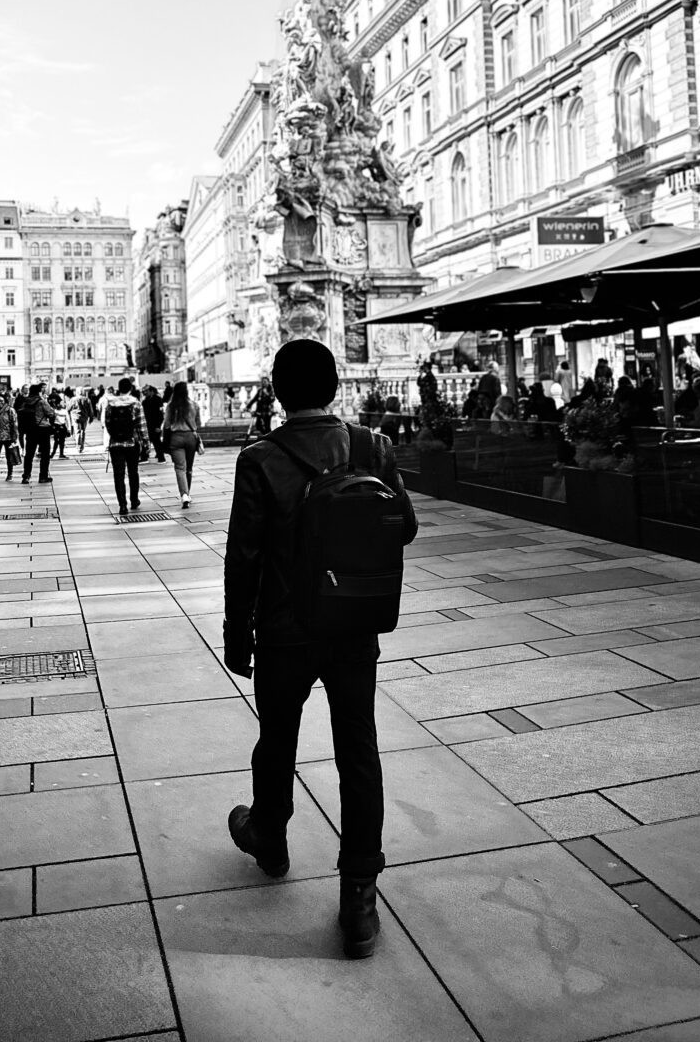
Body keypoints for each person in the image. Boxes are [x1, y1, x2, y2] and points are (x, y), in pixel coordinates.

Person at [223, 339, 418, 960]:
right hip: (354, 626)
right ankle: (359, 897)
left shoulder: (261, 458)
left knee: (277, 738)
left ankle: (271, 838)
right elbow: (405, 525)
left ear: (278, 392)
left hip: (284, 629)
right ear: (335, 386)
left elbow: (244, 555)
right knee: (357, 750)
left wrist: (237, 633)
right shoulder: (371, 446)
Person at [102, 376, 150, 517]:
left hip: (115, 444)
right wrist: (146, 443)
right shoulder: (135, 403)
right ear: (130, 388)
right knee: (133, 472)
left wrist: (114, 437)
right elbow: (142, 425)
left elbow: (107, 423)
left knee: (118, 475)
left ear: (119, 388)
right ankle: (134, 500)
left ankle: (122, 505)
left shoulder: (110, 404)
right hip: (132, 443)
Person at [163, 380, 204, 509]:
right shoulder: (193, 405)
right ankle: (188, 493)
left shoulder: (171, 406)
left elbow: (166, 425)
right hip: (190, 437)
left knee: (180, 468)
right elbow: (199, 424)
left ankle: (184, 495)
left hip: (176, 438)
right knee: (189, 468)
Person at [21, 383, 57, 485]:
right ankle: (43, 477)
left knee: (29, 454)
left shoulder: (26, 402)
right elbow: (51, 413)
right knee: (45, 454)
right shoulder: (41, 402)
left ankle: (26, 476)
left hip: (30, 430)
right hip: (42, 430)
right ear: (38, 392)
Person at [141, 385, 166, 462]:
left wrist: (158, 426)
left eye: (146, 391)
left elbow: (161, 414)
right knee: (145, 441)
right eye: (143, 392)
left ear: (151, 391)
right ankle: (144, 457)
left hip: (155, 424)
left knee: (156, 441)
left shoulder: (158, 399)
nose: (144, 393)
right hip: (147, 424)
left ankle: (161, 458)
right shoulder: (144, 401)